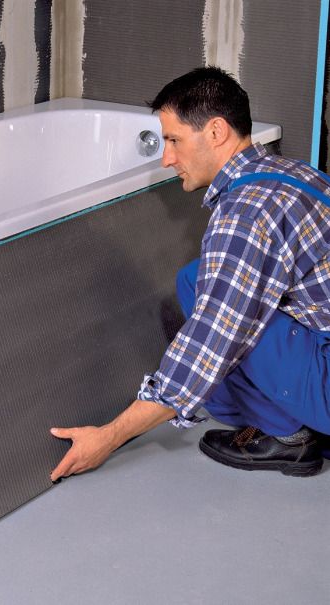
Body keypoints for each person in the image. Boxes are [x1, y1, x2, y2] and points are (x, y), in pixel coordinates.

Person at [50, 66, 330, 481]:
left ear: (215, 132)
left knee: (222, 320)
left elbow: (208, 345)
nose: (167, 159)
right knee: (196, 279)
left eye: (174, 140)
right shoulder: (291, 173)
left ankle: (290, 437)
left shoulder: (246, 213)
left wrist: (109, 437)